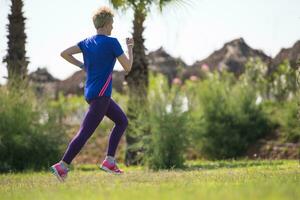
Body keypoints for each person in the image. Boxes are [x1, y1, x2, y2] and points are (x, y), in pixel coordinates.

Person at [50, 6, 134, 181]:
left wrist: (82, 66)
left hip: (92, 94)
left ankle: (109, 160)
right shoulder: (112, 42)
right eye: (112, 23)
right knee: (85, 132)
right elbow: (128, 67)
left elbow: (64, 53)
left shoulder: (86, 43)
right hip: (101, 95)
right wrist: (130, 48)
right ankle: (62, 165)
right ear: (106, 23)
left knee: (122, 121)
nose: (113, 27)